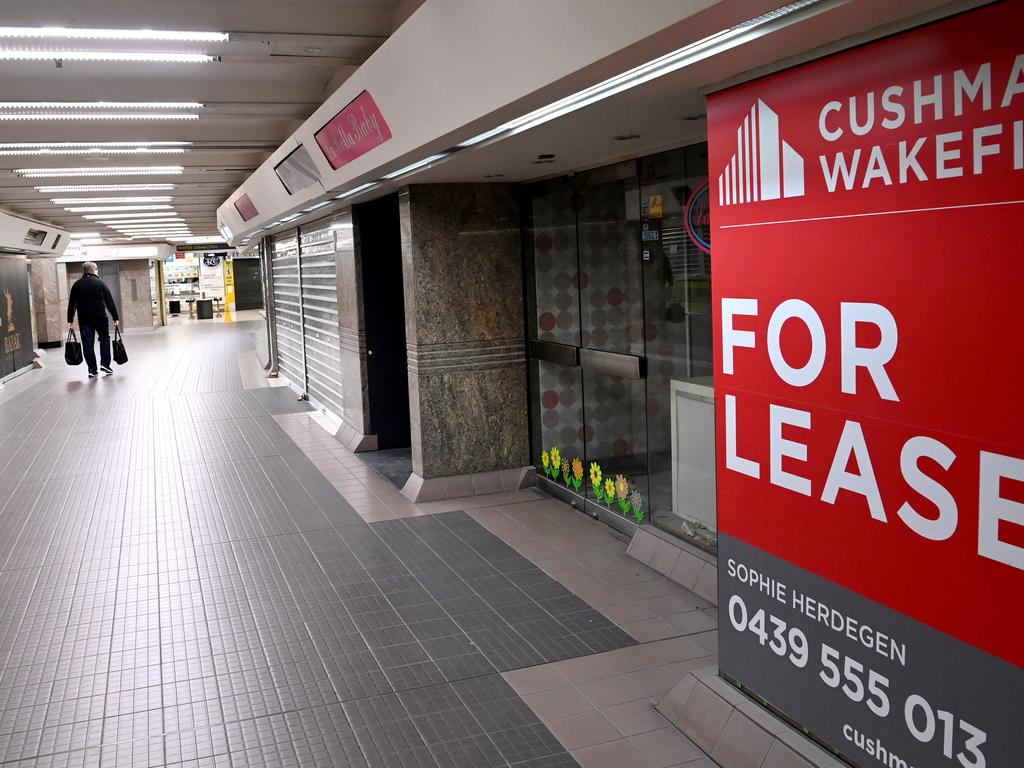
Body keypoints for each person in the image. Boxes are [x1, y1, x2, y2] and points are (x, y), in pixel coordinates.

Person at [67, 261, 119, 378]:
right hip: (100, 318)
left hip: (84, 319)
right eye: (97, 269)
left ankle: (92, 369)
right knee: (104, 339)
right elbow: (109, 301)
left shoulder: (77, 285)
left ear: (84, 271)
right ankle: (105, 364)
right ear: (94, 269)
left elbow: (72, 304)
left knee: (87, 344)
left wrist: (70, 320)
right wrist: (115, 317)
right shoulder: (101, 283)